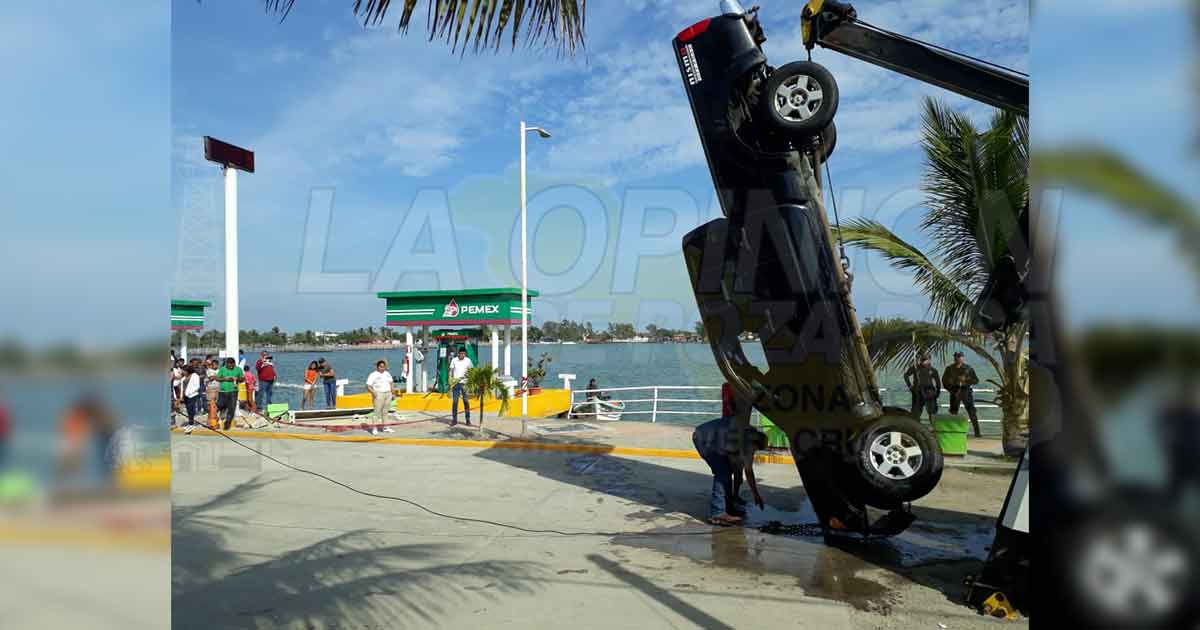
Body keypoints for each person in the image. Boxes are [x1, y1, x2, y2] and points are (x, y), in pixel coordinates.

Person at [692, 407, 767, 526]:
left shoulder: (747, 439)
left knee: (727, 471)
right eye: (755, 448)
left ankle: (728, 507)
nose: (754, 451)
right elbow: (736, 465)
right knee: (722, 473)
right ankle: (717, 514)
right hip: (703, 438)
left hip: (716, 438)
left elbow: (748, 471)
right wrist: (737, 475)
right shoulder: (738, 439)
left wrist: (756, 495)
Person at [942, 351, 981, 437]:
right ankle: (953, 431)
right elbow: (944, 381)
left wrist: (966, 380)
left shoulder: (968, 368)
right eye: (956, 357)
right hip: (954, 392)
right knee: (953, 412)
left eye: (960, 357)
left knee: (972, 412)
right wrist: (950, 389)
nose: (958, 358)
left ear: (963, 358)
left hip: (966, 391)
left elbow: (976, 380)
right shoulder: (949, 368)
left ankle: (977, 432)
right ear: (954, 358)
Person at [904, 353, 941, 422]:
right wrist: (910, 386)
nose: (924, 361)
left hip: (930, 393)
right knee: (916, 414)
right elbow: (906, 375)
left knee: (932, 413)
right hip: (917, 393)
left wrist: (938, 392)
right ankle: (915, 428)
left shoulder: (933, 370)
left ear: (929, 360)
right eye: (923, 360)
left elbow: (938, 382)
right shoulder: (915, 368)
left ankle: (934, 428)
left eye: (926, 360)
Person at [366, 360, 397, 436]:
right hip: (379, 394)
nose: (382, 368)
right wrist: (374, 393)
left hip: (388, 393)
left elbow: (391, 383)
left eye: (384, 367)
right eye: (381, 367)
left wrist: (393, 393)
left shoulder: (387, 374)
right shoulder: (373, 375)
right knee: (377, 412)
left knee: (385, 412)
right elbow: (368, 386)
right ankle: (374, 428)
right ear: (377, 367)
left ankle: (385, 427)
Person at [215, 357, 245, 431]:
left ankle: (227, 423)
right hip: (222, 391)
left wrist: (236, 379)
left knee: (232, 408)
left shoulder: (238, 369)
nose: (231, 366)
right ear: (226, 364)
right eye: (229, 365)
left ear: (234, 363)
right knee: (220, 405)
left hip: (233, 391)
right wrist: (225, 379)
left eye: (232, 364)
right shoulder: (222, 369)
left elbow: (242, 379)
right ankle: (218, 418)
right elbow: (217, 378)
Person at [449, 347, 473, 426]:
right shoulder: (454, 360)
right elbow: (451, 370)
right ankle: (454, 420)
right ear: (458, 353)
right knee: (455, 402)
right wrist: (450, 379)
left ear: (465, 354)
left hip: (465, 383)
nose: (462, 355)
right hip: (456, 384)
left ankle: (468, 420)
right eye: (461, 353)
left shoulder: (468, 360)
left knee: (466, 401)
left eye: (464, 353)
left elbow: (471, 371)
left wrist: (470, 380)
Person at [182, 365, 202, 431]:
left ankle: (191, 424)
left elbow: (197, 386)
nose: (183, 372)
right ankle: (190, 423)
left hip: (192, 395)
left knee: (191, 409)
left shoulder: (195, 376)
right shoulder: (184, 377)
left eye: (184, 371)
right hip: (185, 395)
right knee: (188, 410)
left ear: (188, 371)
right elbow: (182, 386)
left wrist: (189, 393)